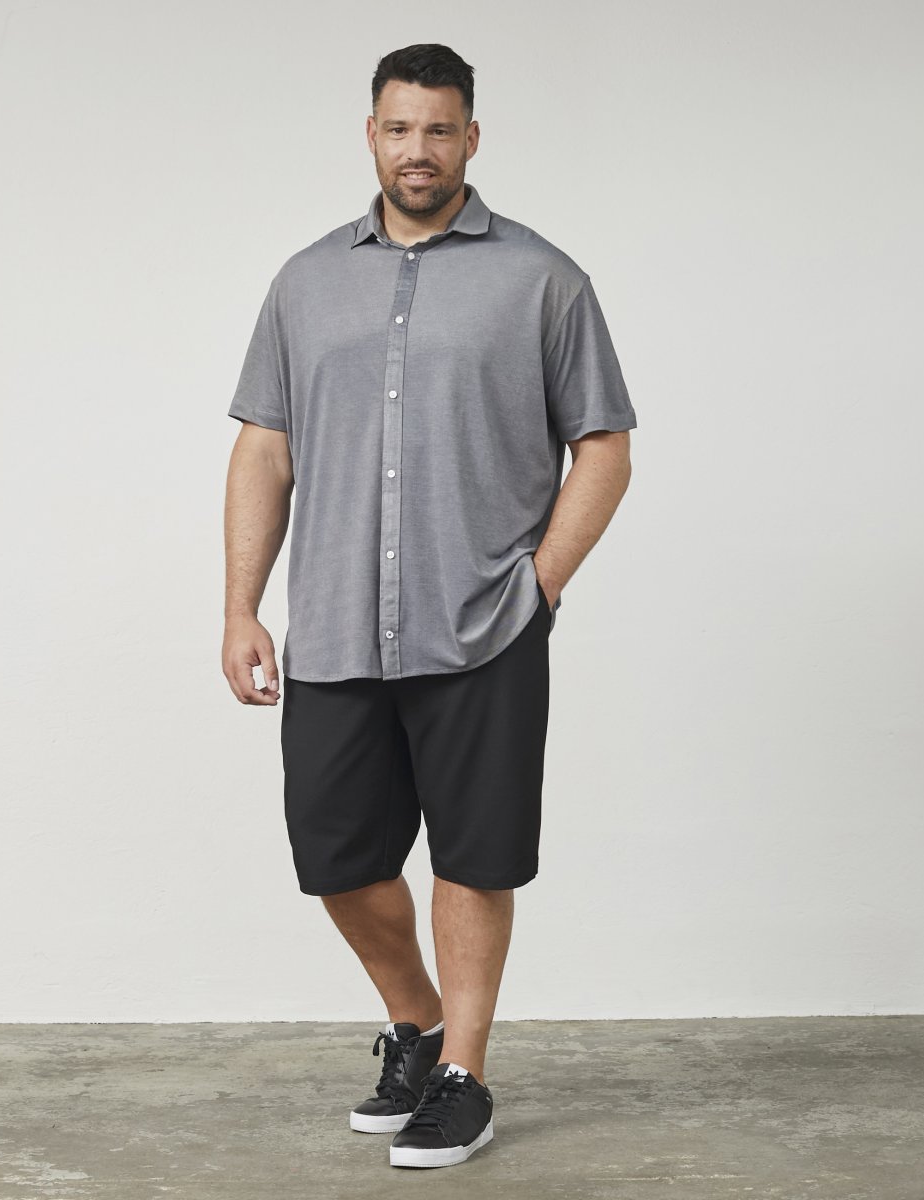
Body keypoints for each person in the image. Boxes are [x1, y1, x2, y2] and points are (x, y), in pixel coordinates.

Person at [221, 43, 636, 1170]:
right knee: (338, 856)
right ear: (371, 135)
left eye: (440, 130)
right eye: (400, 129)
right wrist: (241, 606)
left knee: (474, 857)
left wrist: (538, 583)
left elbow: (604, 447)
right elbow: (265, 449)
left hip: (483, 624)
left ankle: (465, 1077)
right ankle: (419, 1024)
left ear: (471, 139)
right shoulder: (304, 283)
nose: (419, 151)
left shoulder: (543, 279)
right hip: (335, 624)